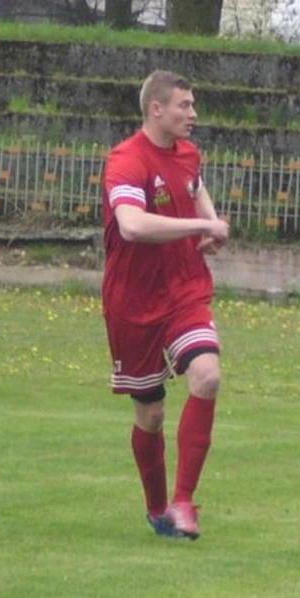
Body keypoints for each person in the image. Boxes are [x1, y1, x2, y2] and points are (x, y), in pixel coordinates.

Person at [101, 70, 230, 540]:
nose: (193, 114)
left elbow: (194, 188)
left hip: (184, 290)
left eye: (192, 105)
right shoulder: (126, 160)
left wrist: (210, 222)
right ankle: (158, 510)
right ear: (156, 109)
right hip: (133, 301)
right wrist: (200, 227)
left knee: (207, 376)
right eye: (184, 105)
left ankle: (183, 502)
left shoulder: (188, 154)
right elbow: (132, 225)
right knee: (150, 415)